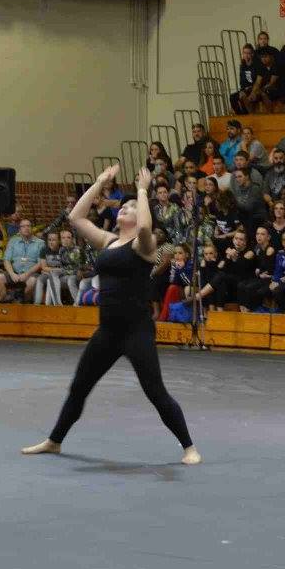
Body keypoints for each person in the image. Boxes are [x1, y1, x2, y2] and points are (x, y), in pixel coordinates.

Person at [21, 165, 201, 465]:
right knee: (79, 387)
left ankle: (189, 447)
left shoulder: (145, 246)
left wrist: (142, 190)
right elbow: (76, 217)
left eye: (131, 208)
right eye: (123, 206)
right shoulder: (108, 241)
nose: (124, 209)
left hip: (136, 332)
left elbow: (144, 228)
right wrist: (100, 182)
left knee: (155, 392)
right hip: (107, 332)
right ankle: (54, 441)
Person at [0, 218, 45, 303]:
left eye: (28, 226)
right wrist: (12, 274)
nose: (26, 228)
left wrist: (26, 274)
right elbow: (6, 260)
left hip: (31, 274)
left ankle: (22, 301)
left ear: (32, 228)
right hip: (14, 273)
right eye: (23, 226)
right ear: (19, 230)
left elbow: (40, 263)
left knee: (32, 281)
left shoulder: (40, 243)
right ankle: (4, 303)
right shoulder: (13, 241)